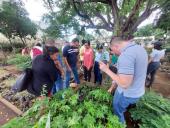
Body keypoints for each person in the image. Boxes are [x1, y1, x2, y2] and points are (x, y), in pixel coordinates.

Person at [99, 36, 148, 123]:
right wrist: (112, 87)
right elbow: (120, 73)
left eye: (112, 50)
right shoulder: (140, 49)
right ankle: (123, 110)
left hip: (127, 93)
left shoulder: (126, 55)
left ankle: (120, 124)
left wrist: (106, 70)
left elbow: (124, 84)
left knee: (117, 111)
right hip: (138, 91)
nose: (113, 53)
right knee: (122, 108)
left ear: (116, 46)